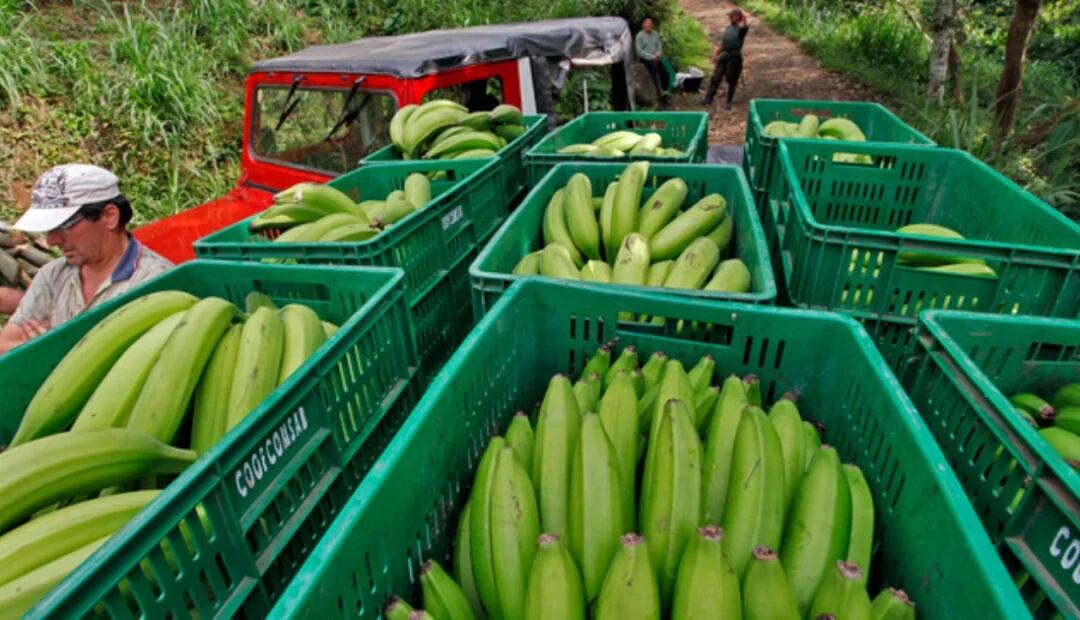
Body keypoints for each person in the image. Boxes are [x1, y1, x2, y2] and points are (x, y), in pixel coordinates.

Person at [0, 164, 172, 354]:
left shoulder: (155, 283)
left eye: (65, 226)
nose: (52, 241)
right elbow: (5, 347)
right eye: (49, 230)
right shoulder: (53, 275)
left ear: (109, 216)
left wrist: (52, 349)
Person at [701, 9, 750, 110]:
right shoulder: (728, 28)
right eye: (730, 16)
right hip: (725, 55)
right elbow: (723, 43)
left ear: (738, 17)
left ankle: (728, 101)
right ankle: (708, 99)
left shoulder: (741, 29)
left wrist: (743, 20)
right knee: (715, 77)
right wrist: (716, 54)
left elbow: (744, 28)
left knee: (732, 79)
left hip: (734, 56)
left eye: (732, 16)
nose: (730, 18)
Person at [635, 17, 669, 103]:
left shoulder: (656, 34)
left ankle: (665, 93)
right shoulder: (639, 36)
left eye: (650, 23)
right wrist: (651, 57)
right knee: (654, 70)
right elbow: (639, 51)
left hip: (656, 58)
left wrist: (658, 55)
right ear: (643, 25)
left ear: (652, 25)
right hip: (645, 59)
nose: (648, 25)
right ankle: (660, 92)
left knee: (665, 73)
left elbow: (659, 47)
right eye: (646, 23)